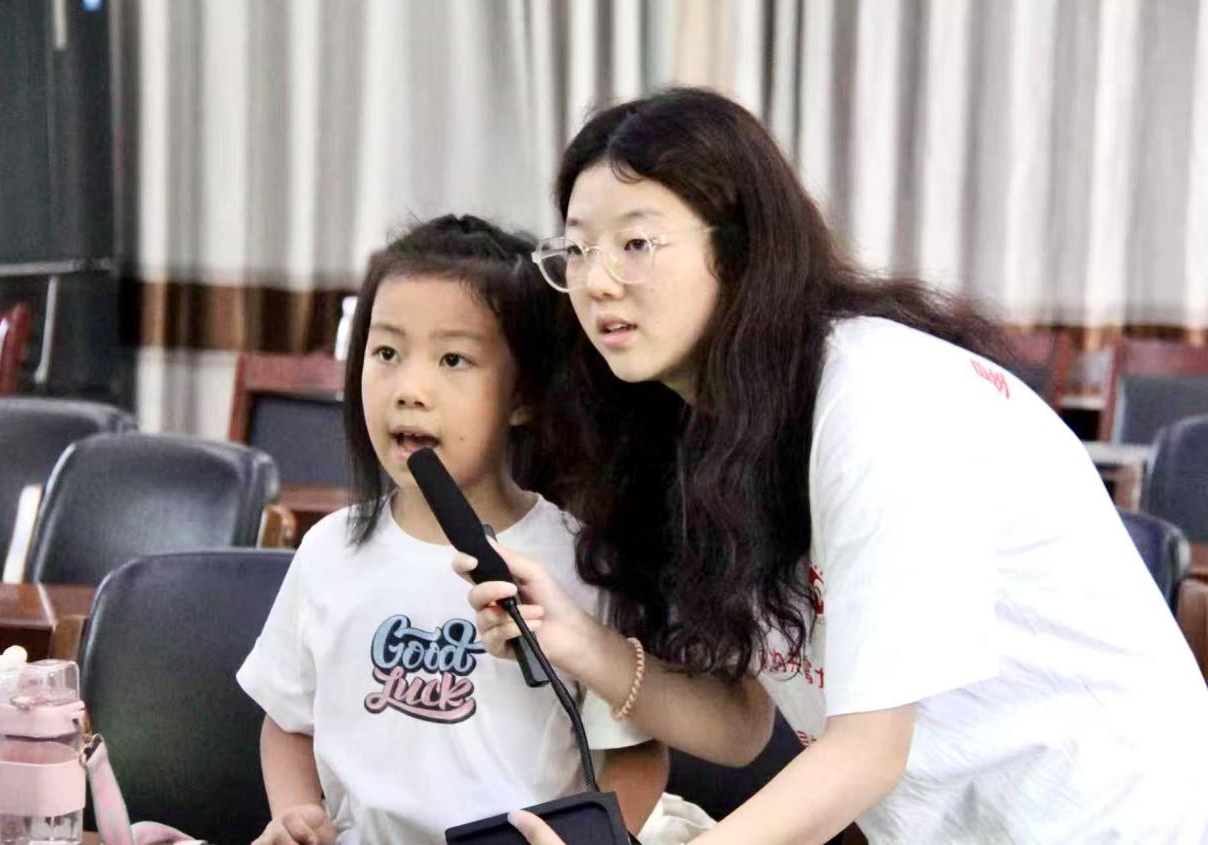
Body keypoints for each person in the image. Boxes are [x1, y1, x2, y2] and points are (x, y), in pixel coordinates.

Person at [458, 88, 1208, 843]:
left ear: (741, 247)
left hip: (1115, 821)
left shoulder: (880, 399)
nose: (596, 281)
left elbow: (866, 753)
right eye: (578, 249)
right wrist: (580, 643)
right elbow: (740, 727)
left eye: (635, 243)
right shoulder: (710, 430)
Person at [237, 215, 667, 845]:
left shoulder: (580, 562)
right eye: (386, 353)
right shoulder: (328, 549)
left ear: (524, 394)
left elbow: (635, 756)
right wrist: (298, 814)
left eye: (453, 359)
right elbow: (287, 721)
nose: (409, 390)